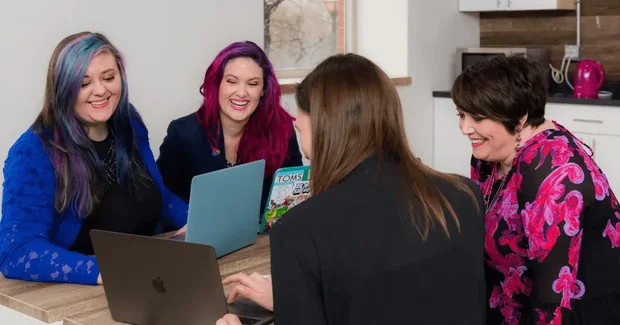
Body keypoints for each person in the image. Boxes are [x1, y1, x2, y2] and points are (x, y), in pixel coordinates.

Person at [216, 53, 487, 325]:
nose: (305, 150)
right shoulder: (465, 195)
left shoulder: (299, 231)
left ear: (325, 130)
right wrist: (295, 295)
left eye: (302, 133)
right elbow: (403, 294)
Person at [0, 32, 188, 285]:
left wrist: (197, 222)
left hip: (149, 279)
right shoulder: (33, 151)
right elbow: (16, 251)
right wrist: (104, 270)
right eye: (83, 83)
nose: (100, 90)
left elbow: (159, 198)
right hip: (82, 293)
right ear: (63, 88)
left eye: (109, 77)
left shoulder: (129, 123)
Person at [452, 55, 620, 324]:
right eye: (461, 114)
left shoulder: (554, 173)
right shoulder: (488, 154)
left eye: (478, 117)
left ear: (519, 118)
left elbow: (551, 304)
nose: (464, 128)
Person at [157, 41, 303, 220]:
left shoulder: (282, 130)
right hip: (199, 241)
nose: (242, 93)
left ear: (263, 90)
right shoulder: (183, 133)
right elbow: (161, 199)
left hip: (264, 242)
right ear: (217, 84)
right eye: (232, 81)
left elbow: (294, 200)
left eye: (252, 83)